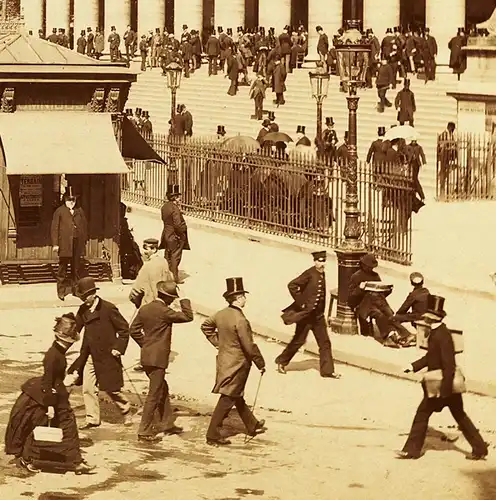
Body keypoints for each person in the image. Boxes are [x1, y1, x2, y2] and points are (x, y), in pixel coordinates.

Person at [397, 295, 489, 460]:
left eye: (427, 316)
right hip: (445, 386)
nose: (425, 318)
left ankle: (412, 450)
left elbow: (449, 365)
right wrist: (412, 366)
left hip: (441, 385)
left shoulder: (442, 336)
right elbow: (431, 357)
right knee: (460, 416)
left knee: (422, 414)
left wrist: (444, 391)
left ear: (432, 317)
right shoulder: (437, 332)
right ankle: (480, 448)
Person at [4, 314, 94, 475]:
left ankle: (73, 460)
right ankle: (71, 461)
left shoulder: (57, 352)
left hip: (54, 395)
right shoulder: (53, 356)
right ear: (64, 339)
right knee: (63, 425)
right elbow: (47, 381)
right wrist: (50, 405)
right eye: (69, 341)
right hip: (49, 398)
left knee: (61, 427)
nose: (70, 344)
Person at [201, 277, 267, 446]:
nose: (245, 298)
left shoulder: (221, 313)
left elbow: (206, 326)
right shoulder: (241, 320)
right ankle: (212, 435)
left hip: (224, 361)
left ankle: (252, 425)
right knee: (228, 398)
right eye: (244, 296)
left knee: (235, 395)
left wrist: (218, 343)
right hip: (238, 364)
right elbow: (249, 345)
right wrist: (260, 362)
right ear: (238, 298)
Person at [130, 281, 193, 442]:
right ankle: (143, 430)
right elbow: (188, 316)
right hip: (158, 359)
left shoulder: (145, 309)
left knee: (162, 388)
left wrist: (146, 345)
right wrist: (184, 298)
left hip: (146, 357)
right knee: (154, 393)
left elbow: (133, 330)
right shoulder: (165, 312)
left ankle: (166, 423)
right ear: (169, 298)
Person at [68, 277, 133, 430]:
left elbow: (124, 330)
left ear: (93, 294)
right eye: (81, 297)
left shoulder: (108, 308)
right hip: (89, 355)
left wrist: (119, 348)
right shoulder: (83, 310)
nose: (84, 300)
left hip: (108, 355)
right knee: (88, 388)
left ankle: (126, 411)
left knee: (111, 389)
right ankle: (92, 419)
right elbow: (76, 328)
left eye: (85, 297)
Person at [276, 251, 341, 378]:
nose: (321, 264)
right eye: (319, 261)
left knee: (325, 343)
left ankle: (327, 371)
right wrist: (302, 303)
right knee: (298, 341)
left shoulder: (322, 274)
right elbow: (292, 285)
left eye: (323, 261)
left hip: (318, 316)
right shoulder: (309, 273)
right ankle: (282, 362)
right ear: (315, 262)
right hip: (306, 316)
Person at [348, 253, 400, 347]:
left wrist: (387, 290)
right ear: (363, 265)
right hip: (363, 305)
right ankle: (388, 337)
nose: (370, 269)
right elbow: (351, 298)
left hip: (377, 303)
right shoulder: (356, 276)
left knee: (389, 313)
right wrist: (360, 288)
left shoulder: (375, 276)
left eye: (372, 267)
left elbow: (380, 293)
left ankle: (392, 333)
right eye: (368, 267)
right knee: (380, 315)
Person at [51, 187, 88, 301]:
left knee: (76, 268)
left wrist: (83, 240)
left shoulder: (79, 211)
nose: (71, 202)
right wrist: (55, 244)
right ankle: (61, 291)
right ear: (65, 200)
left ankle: (76, 290)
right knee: (63, 268)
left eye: (73, 200)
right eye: (69, 200)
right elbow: (54, 228)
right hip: (65, 244)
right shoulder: (59, 211)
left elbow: (84, 226)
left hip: (77, 244)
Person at [159, 185, 190, 284]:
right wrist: (182, 232)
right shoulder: (175, 208)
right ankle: (174, 278)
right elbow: (177, 224)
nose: (179, 198)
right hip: (175, 235)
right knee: (175, 257)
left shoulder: (164, 207)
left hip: (166, 234)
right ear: (175, 197)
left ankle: (165, 276)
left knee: (167, 256)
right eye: (178, 196)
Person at [392, 272, 429, 347]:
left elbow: (403, 309)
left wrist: (398, 314)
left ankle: (407, 335)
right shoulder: (426, 291)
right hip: (425, 316)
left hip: (417, 316)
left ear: (412, 283)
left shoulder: (413, 295)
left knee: (394, 319)